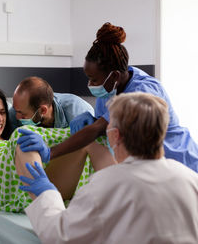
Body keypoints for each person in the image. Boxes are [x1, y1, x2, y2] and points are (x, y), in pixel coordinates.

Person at [18, 92, 198, 243]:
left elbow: (59, 235)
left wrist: (46, 194)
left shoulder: (104, 185)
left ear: (116, 135)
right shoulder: (190, 179)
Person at [19, 22, 198, 172]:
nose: (90, 84)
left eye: (94, 79)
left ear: (114, 76)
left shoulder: (143, 92)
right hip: (147, 168)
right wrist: (93, 119)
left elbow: (98, 128)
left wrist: (51, 152)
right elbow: (102, 125)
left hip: (180, 161)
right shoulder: (109, 89)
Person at [0, 87, 106, 212]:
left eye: (2, 112)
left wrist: (91, 129)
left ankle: (120, 200)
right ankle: (47, 210)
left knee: (90, 139)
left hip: (39, 181)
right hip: (1, 190)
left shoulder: (11, 141)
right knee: (24, 136)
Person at [0, 76, 94, 169]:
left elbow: (91, 152)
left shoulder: (77, 112)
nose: (15, 117)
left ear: (42, 111)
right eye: (15, 110)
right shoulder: (14, 115)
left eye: (21, 113)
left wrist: (50, 152)